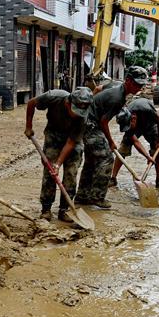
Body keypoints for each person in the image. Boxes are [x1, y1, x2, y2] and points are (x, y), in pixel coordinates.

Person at [74, 65, 149, 210]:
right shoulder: (117, 98)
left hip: (87, 121)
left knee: (91, 162)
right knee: (107, 159)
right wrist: (111, 142)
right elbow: (103, 122)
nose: (139, 88)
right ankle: (97, 197)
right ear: (128, 80)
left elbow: (98, 89)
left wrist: (95, 103)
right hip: (91, 125)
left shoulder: (116, 85)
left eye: (141, 85)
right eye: (136, 84)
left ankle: (82, 196)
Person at [24, 87, 92, 222]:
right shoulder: (53, 97)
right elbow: (31, 103)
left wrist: (58, 163)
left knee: (71, 173)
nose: (77, 114)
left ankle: (64, 209)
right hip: (53, 135)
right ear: (68, 103)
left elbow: (71, 142)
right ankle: (46, 209)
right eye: (75, 110)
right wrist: (28, 126)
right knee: (49, 171)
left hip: (72, 141)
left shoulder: (83, 117)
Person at [111, 97, 159, 188]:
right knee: (123, 149)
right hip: (136, 123)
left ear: (133, 118)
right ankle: (113, 178)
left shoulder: (148, 111)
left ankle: (158, 179)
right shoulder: (125, 117)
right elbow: (136, 141)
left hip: (150, 125)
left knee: (157, 150)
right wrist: (147, 157)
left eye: (130, 126)